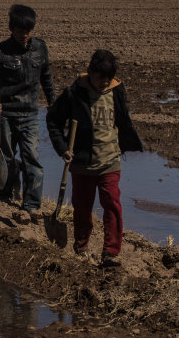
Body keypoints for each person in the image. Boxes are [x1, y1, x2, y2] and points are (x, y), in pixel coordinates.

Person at [46, 50, 142, 267]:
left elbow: (123, 119)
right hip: (82, 163)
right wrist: (63, 148)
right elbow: (53, 120)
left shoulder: (116, 90)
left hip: (110, 160)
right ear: (90, 73)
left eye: (108, 78)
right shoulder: (75, 93)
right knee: (82, 208)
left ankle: (111, 253)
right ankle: (81, 247)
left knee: (112, 204)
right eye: (100, 78)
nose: (104, 83)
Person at [0, 4, 56, 222]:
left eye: (29, 31)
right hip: (5, 114)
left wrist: (53, 103)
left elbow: (46, 79)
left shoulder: (40, 48)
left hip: (30, 114)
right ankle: (7, 193)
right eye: (21, 31)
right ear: (11, 28)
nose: (25, 36)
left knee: (32, 159)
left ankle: (32, 205)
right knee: (8, 159)